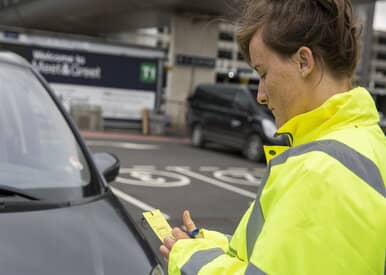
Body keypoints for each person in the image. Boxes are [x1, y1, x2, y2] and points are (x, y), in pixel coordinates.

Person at [160, 0, 386, 274]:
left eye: (263, 74)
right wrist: (213, 247)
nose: (261, 95)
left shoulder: (319, 173)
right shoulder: (367, 143)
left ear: (304, 61)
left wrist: (189, 258)